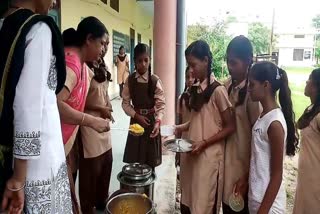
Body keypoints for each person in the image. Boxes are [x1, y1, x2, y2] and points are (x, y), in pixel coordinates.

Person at [0, 0, 72, 213]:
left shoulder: (3, 24)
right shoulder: (38, 29)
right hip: (37, 165)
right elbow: (28, 105)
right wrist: (19, 178)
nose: (54, 2)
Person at [176, 40, 235, 214]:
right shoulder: (196, 89)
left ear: (206, 61)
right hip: (192, 156)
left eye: (193, 65)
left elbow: (230, 126)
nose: (191, 70)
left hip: (208, 161)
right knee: (190, 201)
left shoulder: (218, 91)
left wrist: (205, 142)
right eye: (189, 65)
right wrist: (177, 128)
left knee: (204, 205)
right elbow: (197, 122)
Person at [58, 16, 110, 213]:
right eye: (102, 43)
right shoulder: (72, 63)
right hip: (54, 147)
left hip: (63, 144)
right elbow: (55, 104)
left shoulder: (82, 64)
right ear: (88, 39)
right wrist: (91, 121)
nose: (103, 49)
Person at [247, 62, 299, 214]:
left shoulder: (274, 122)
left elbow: (277, 175)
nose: (249, 89)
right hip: (257, 199)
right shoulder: (263, 116)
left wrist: (263, 210)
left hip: (269, 206)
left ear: (266, 85)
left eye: (252, 84)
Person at [223, 36, 261, 214]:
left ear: (247, 62)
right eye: (228, 62)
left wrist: (246, 177)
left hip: (242, 172)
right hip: (226, 167)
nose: (230, 67)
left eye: (234, 63)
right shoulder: (228, 86)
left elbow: (258, 140)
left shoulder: (252, 96)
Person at [79, 40, 114, 214]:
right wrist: (100, 108)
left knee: (107, 163)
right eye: (102, 43)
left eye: (107, 44)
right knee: (92, 170)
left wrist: (108, 106)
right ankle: (87, 208)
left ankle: (102, 204)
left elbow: (104, 93)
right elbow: (77, 103)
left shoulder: (102, 66)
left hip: (103, 125)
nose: (104, 47)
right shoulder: (82, 68)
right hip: (89, 125)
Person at [122, 43, 165, 169]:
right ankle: (137, 188)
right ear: (134, 61)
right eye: (140, 61)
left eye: (146, 60)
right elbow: (125, 103)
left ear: (150, 60)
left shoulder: (155, 80)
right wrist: (137, 116)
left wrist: (158, 121)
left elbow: (161, 104)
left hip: (152, 123)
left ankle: (149, 188)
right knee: (136, 160)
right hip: (136, 122)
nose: (143, 64)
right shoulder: (130, 80)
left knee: (150, 161)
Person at [293, 68, 320, 214]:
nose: (306, 81)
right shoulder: (311, 109)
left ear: (315, 85)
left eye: (309, 79)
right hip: (305, 179)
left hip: (316, 181)